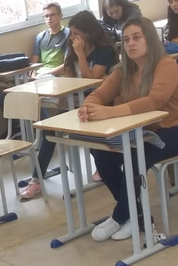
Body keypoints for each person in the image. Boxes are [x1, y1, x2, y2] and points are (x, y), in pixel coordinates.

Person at [82, 17, 178, 242]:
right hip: (143, 131)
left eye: (136, 38)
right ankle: (137, 215)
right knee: (101, 152)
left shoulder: (166, 65)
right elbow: (99, 94)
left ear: (150, 40)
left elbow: (155, 100)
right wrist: (88, 107)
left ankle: (120, 215)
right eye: (126, 40)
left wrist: (110, 112)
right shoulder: (122, 70)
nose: (130, 44)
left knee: (136, 158)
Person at [19, 11, 117, 199]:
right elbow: (70, 74)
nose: (72, 37)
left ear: (88, 32)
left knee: (87, 135)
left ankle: (106, 166)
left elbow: (91, 81)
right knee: (49, 131)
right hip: (76, 102)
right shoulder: (73, 48)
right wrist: (65, 95)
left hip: (98, 102)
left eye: (77, 33)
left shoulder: (104, 50)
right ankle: (36, 180)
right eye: (71, 33)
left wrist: (80, 54)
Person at [31, 2, 69, 75]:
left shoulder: (68, 34)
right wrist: (33, 78)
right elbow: (33, 64)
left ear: (60, 16)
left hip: (57, 75)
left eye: (52, 15)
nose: (49, 18)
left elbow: (67, 65)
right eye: (46, 16)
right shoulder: (40, 37)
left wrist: (46, 74)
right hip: (40, 75)